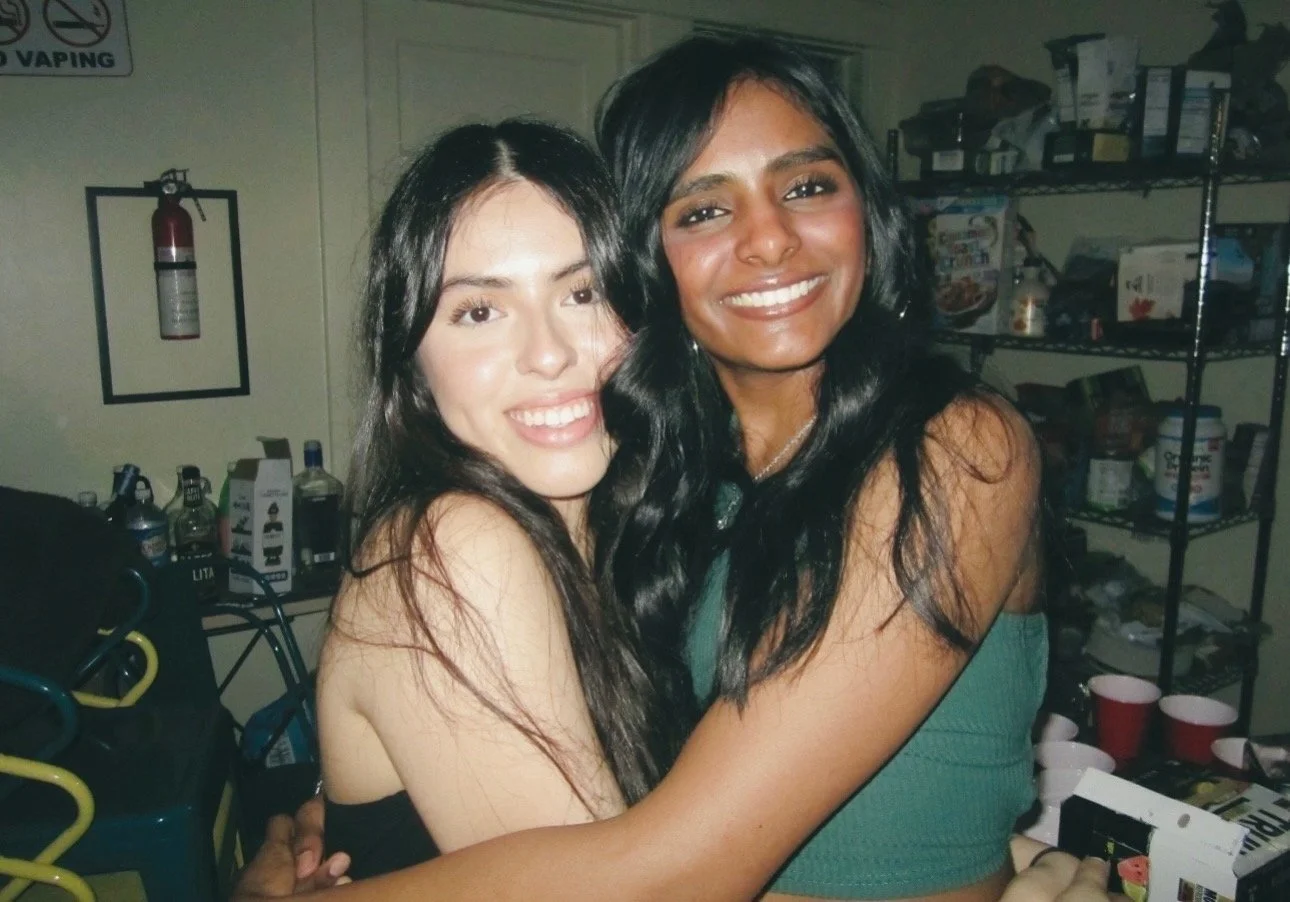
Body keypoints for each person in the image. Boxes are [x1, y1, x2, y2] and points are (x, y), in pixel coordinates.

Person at [235, 35, 1118, 902]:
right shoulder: (655, 498)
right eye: (703, 209)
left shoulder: (955, 448)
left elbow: (687, 850)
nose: (770, 240)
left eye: (580, 292)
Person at [314, 119, 670, 879]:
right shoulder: (450, 552)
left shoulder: (630, 540)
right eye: (479, 310)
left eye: (584, 292)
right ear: (411, 362)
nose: (549, 353)